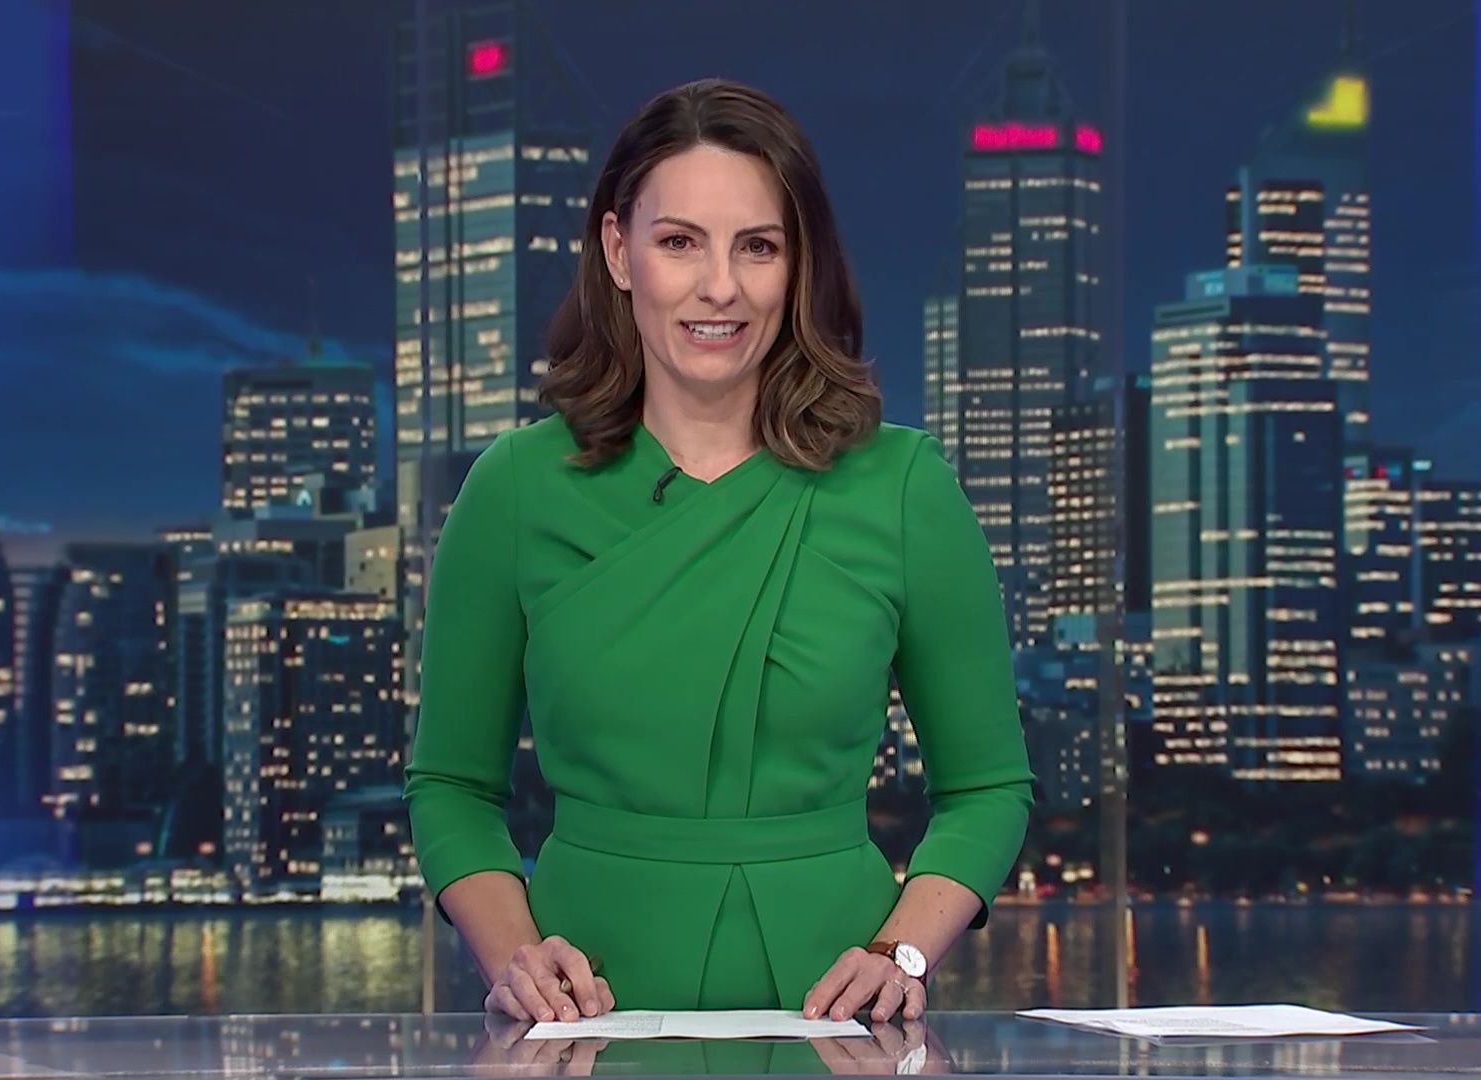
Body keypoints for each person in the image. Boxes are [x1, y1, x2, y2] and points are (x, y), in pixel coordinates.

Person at [404, 77, 1034, 1028]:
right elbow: (451, 784)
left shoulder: (903, 486)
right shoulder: (516, 488)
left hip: (837, 1021)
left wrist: (899, 952)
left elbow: (987, 785)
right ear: (619, 252)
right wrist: (517, 959)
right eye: (679, 242)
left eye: (758, 247)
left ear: (798, 265)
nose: (720, 287)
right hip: (585, 1015)